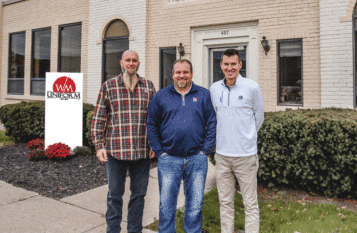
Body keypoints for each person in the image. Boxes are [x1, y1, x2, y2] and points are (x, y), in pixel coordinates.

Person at [146, 59, 216, 233]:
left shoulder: (203, 94)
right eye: (178, 72)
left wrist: (205, 151)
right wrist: (159, 152)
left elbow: (212, 123)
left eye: (185, 72)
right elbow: (151, 125)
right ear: (173, 75)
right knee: (166, 205)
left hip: (196, 159)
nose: (181, 75)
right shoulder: (161, 96)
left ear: (191, 74)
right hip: (169, 159)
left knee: (195, 205)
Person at [91, 50, 156, 233]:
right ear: (121, 62)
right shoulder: (109, 86)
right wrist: (99, 146)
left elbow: (155, 119)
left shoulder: (149, 87)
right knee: (114, 196)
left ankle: (134, 230)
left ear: (139, 63)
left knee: (139, 196)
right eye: (128, 60)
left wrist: (154, 144)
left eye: (134, 60)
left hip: (142, 152)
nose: (131, 63)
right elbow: (99, 118)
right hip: (115, 152)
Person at [210, 48, 265, 233]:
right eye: (226, 64)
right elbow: (215, 118)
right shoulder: (214, 88)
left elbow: (259, 118)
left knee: (250, 203)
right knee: (225, 203)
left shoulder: (252, 87)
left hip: (245, 156)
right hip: (222, 156)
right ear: (221, 65)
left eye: (233, 64)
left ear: (240, 65)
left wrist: (246, 137)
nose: (230, 68)